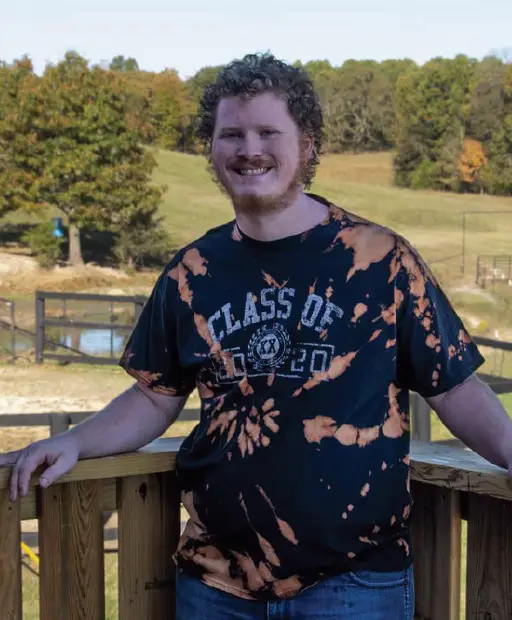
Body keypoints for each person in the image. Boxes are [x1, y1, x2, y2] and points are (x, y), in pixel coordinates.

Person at [1, 53, 511, 620]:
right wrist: (75, 441)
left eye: (269, 131)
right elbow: (153, 396)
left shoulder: (380, 260)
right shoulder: (192, 271)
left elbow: (454, 387)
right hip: (216, 584)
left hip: (354, 582)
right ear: (212, 150)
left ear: (308, 144)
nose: (250, 148)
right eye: (232, 134)